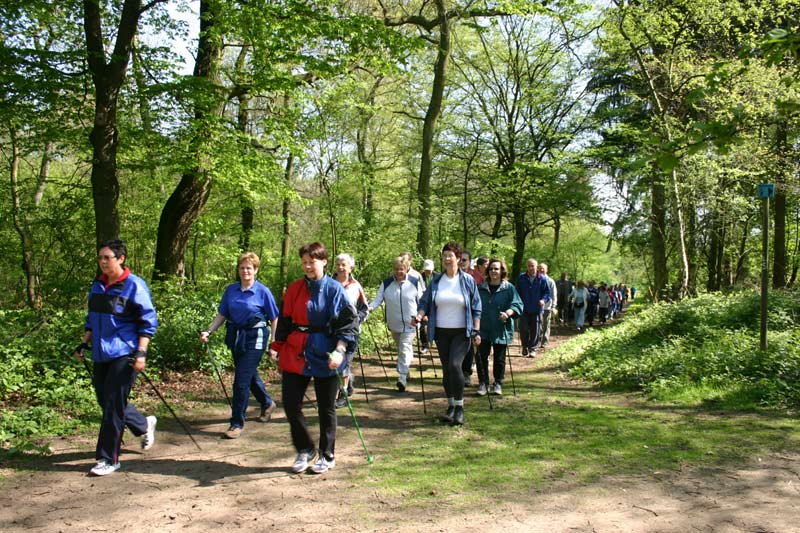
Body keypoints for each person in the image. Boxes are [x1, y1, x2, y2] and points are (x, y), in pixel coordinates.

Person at [270, 242, 359, 474]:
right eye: (304, 262)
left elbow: (348, 324)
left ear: (324, 262)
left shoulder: (334, 289)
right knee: (290, 403)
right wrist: (276, 347)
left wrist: (340, 351)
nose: (308, 266)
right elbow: (285, 320)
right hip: (296, 351)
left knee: (326, 407)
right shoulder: (294, 289)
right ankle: (305, 449)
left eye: (312, 261)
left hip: (326, 351)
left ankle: (327, 455)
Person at [74, 238, 158, 476]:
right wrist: (84, 343)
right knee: (106, 401)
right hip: (101, 353)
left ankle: (108, 459)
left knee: (112, 405)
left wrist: (141, 353)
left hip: (125, 353)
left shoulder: (134, 285)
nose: (102, 262)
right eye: (100, 258)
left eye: (106, 258)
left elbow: (148, 322)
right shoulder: (98, 285)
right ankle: (143, 424)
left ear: (120, 259)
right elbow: (92, 318)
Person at [200, 252, 280, 439]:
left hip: (256, 337)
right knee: (249, 375)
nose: (245, 271)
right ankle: (267, 402)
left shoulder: (263, 292)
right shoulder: (231, 290)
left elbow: (275, 317)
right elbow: (222, 314)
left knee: (241, 381)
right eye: (242, 268)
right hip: (236, 336)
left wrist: (274, 343)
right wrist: (209, 331)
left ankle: (236, 423)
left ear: (256, 270)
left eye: (249, 268)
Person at [412, 242, 481, 426]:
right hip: (441, 332)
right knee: (446, 368)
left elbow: (476, 307)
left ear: (458, 259)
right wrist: (419, 316)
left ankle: (459, 408)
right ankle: (450, 405)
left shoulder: (467, 281)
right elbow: (425, 302)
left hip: (462, 332)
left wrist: (476, 329)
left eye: (450, 256)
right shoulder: (436, 281)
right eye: (444, 256)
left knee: (455, 365)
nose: (447, 259)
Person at [368, 256, 424, 392]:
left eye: (402, 269)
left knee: (404, 348)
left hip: (411, 322)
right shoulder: (387, 283)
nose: (399, 272)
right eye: (396, 269)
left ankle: (402, 378)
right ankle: (406, 369)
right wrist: (368, 309)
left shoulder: (414, 282)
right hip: (394, 323)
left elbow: (422, 300)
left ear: (407, 269)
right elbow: (378, 299)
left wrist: (421, 315)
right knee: (402, 349)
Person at [477, 259, 523, 396]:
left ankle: (498, 382)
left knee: (499, 358)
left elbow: (518, 304)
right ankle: (483, 383)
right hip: (483, 327)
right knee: (481, 356)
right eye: (491, 269)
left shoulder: (509, 288)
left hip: (501, 328)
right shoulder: (481, 288)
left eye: (496, 269)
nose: (493, 271)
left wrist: (508, 313)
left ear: (502, 270)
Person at [332, 253, 369, 408]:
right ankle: (348, 386)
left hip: (350, 333)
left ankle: (343, 393)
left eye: (344, 265)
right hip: (331, 331)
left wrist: (354, 321)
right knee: (334, 363)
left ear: (350, 267)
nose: (341, 268)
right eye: (338, 264)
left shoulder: (356, 286)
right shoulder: (328, 283)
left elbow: (364, 309)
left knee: (344, 363)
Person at [516, 258, 550, 357]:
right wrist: (517, 304)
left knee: (535, 330)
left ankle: (533, 349)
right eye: (529, 266)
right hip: (523, 309)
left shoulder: (542, 278)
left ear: (536, 266)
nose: (531, 268)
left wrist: (543, 300)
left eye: (533, 266)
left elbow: (547, 292)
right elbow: (516, 292)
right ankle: (525, 347)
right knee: (523, 329)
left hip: (537, 309)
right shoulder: (521, 278)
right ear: (527, 266)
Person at [459, 249, 483, 385]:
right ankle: (457, 372)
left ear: (469, 262)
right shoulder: (451, 276)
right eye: (460, 259)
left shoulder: (476, 277)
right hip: (454, 317)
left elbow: (480, 299)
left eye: (464, 260)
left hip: (471, 316)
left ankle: (466, 373)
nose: (462, 262)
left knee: (469, 345)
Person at [538, 262, 557, 350]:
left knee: (546, 324)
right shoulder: (536, 279)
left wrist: (553, 306)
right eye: (540, 268)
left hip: (547, 307)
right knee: (538, 324)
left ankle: (544, 341)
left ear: (547, 270)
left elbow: (553, 295)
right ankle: (537, 340)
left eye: (543, 268)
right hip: (537, 307)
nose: (541, 270)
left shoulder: (550, 281)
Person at [419, 259, 437, 353]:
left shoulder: (438, 277)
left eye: (429, 270)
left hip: (435, 304)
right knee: (423, 326)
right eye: (426, 270)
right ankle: (424, 345)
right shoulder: (419, 277)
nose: (428, 272)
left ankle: (437, 341)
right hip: (423, 304)